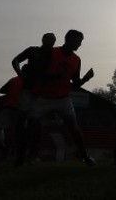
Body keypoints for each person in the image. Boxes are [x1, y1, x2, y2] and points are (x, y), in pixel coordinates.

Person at [14, 29, 95, 166]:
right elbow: (38, 72)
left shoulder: (76, 60)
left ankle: (85, 155)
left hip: (63, 98)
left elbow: (75, 83)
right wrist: (49, 77)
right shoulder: (50, 52)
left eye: (80, 42)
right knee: (31, 126)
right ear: (68, 40)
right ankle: (20, 157)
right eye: (77, 42)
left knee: (73, 127)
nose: (79, 45)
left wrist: (86, 78)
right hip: (43, 97)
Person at [0, 66, 27, 158]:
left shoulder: (14, 80)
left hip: (7, 107)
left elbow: (2, 90)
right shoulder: (29, 81)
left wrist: (12, 91)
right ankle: (13, 153)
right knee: (18, 132)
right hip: (19, 109)